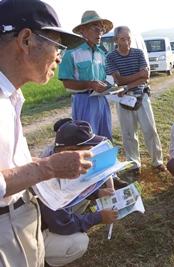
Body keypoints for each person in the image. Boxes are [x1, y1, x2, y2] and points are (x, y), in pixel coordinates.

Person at [0, 0, 93, 266]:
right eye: (58, 46)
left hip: (22, 217)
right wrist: (47, 168)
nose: (60, 57)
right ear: (26, 40)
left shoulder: (11, 96)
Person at [58, 12, 128, 189]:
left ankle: (110, 176)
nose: (100, 33)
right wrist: (89, 83)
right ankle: (90, 183)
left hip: (101, 101)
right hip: (83, 101)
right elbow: (67, 83)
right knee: (87, 141)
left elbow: (102, 80)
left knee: (105, 138)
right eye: (96, 29)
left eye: (102, 30)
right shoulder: (71, 53)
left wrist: (111, 89)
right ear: (83, 30)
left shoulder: (101, 54)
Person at [39, 119, 119, 266]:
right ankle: (41, 259)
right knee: (79, 242)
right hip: (38, 229)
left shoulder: (57, 159)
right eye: (87, 150)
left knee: (84, 196)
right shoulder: (50, 177)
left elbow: (76, 188)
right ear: (68, 150)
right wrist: (98, 218)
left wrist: (97, 193)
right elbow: (62, 224)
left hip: (50, 216)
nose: (91, 154)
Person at [106, 26, 165, 175]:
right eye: (122, 39)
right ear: (115, 40)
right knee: (128, 133)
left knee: (150, 129)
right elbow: (118, 79)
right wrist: (135, 78)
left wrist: (127, 84)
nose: (126, 42)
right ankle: (133, 164)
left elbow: (146, 76)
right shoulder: (111, 57)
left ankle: (157, 161)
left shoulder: (138, 53)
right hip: (123, 99)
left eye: (128, 39)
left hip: (141, 95)